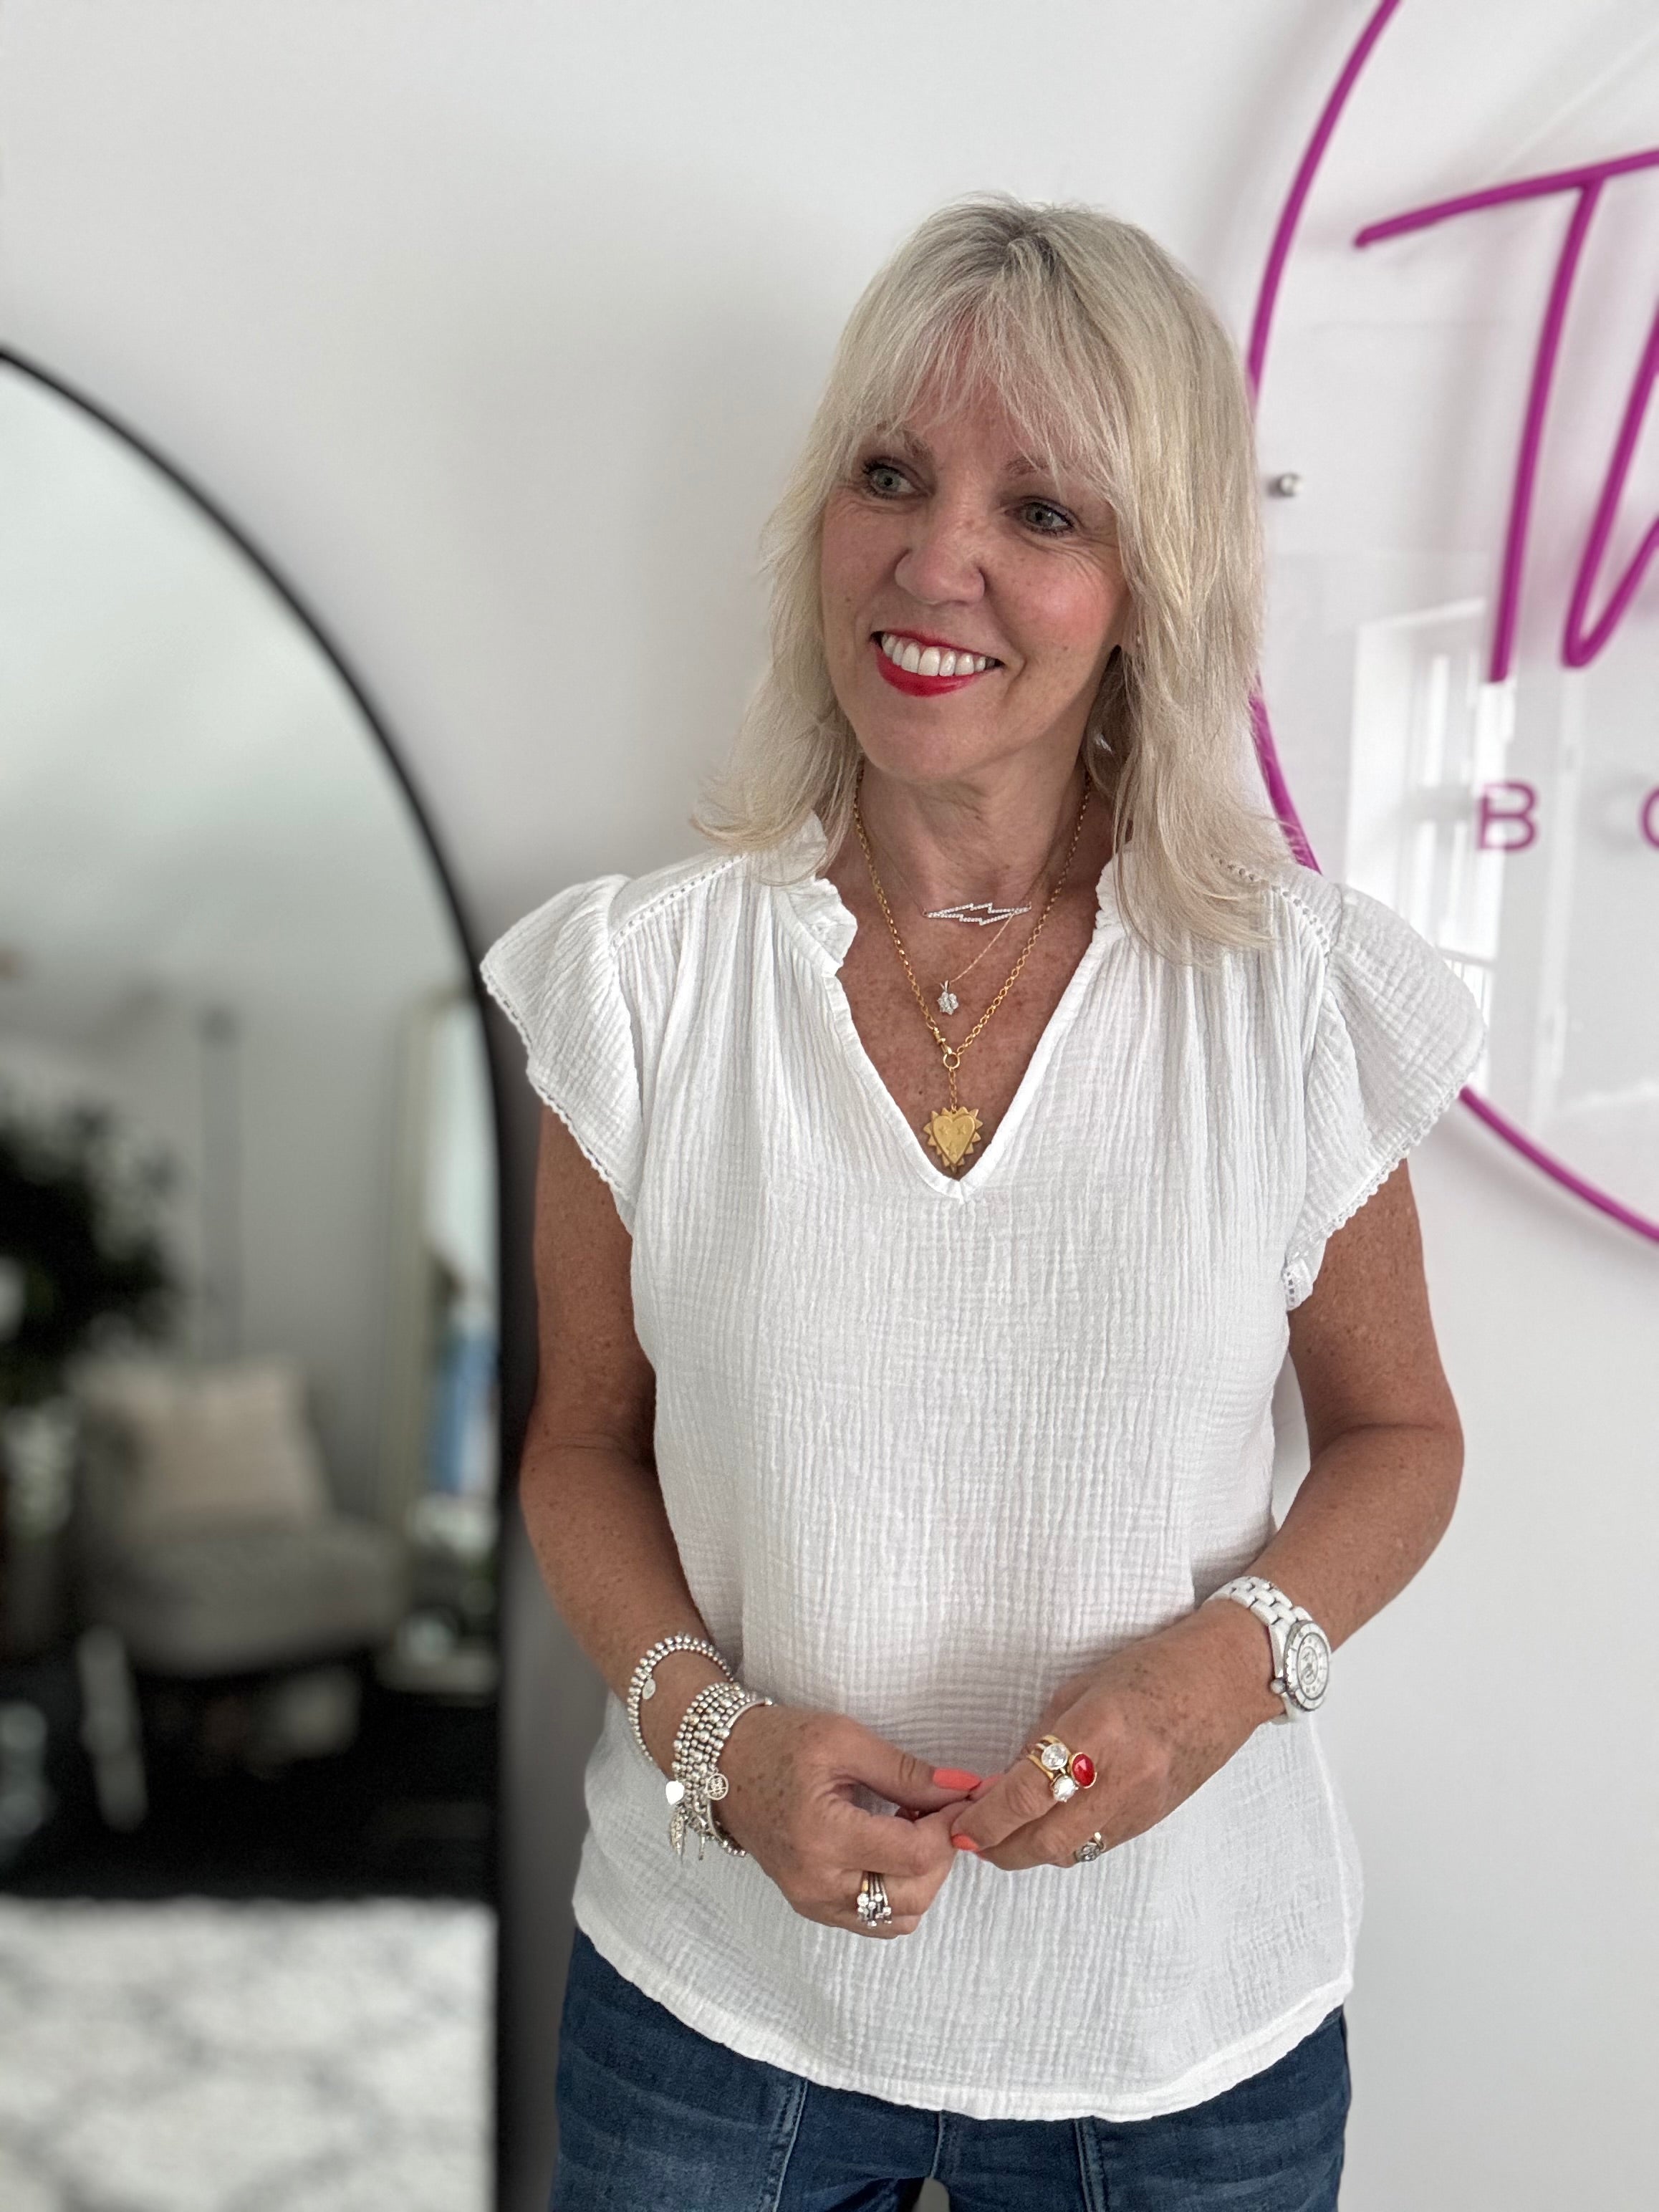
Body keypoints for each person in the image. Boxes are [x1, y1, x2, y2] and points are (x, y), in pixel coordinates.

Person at [484, 196, 1486, 2210]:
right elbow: (582, 1446)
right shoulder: (640, 989)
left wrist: (1225, 1675)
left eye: (1040, 509)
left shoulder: (1289, 996)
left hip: (1180, 2035)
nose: (935, 560)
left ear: (1148, 586)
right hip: (717, 2023)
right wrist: (715, 1742)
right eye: (889, 476)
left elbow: (1399, 1435)